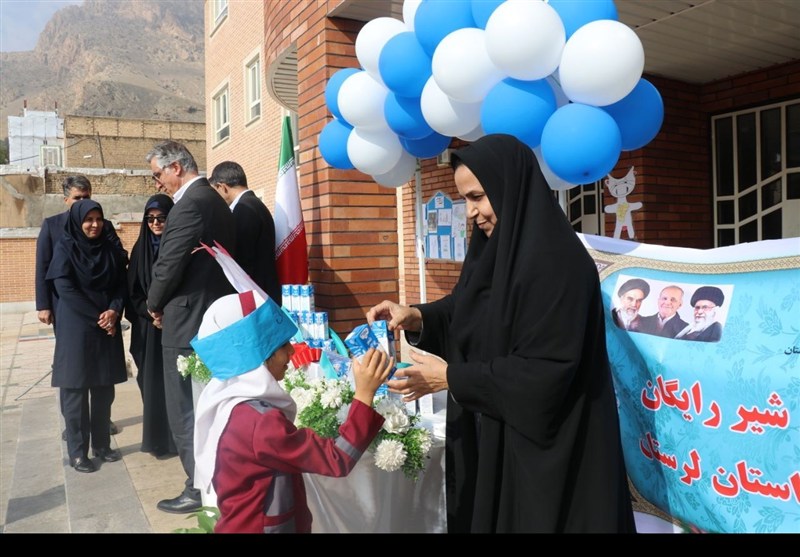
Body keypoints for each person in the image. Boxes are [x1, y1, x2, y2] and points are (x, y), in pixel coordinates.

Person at [366, 134, 635, 533]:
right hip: (497, 432)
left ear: (509, 187)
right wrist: (418, 317)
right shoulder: (495, 250)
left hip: (548, 452)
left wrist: (451, 378)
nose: (472, 213)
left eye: (478, 197)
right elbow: (468, 309)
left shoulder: (558, 265)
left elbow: (546, 372)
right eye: (465, 200)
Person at [193, 290, 392, 533]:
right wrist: (364, 394)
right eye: (283, 344)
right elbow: (337, 459)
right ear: (260, 353)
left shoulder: (230, 404)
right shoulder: (261, 422)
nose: (292, 352)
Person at [145, 140, 236, 514]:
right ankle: (215, 479)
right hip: (215, 318)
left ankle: (196, 488)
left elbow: (168, 265)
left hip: (187, 323)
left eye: (157, 174)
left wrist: (153, 304)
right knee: (211, 405)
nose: (158, 183)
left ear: (176, 167)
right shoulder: (216, 200)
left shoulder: (190, 205)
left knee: (185, 409)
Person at [35, 176, 124, 437]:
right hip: (68, 309)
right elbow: (43, 266)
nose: (83, 203)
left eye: (86, 197)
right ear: (66, 200)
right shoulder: (53, 226)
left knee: (102, 370)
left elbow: (118, 256)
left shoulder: (102, 225)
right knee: (73, 370)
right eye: (77, 198)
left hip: (103, 305)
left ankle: (100, 424)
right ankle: (74, 425)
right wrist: (44, 304)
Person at [46, 199, 128, 473]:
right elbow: (65, 289)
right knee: (76, 393)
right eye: (88, 220)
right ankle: (78, 452)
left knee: (104, 390)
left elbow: (120, 284)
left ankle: (102, 445)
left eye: (98, 219)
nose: (94, 225)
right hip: (77, 327)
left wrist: (115, 310)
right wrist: (99, 317)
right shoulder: (65, 248)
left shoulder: (109, 249)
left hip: (107, 325)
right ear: (77, 222)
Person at [126, 194, 177, 456]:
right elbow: (132, 295)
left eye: (161, 218)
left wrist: (167, 314)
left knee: (175, 386)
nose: (155, 223)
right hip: (148, 332)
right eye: (150, 219)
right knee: (152, 384)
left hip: (174, 327)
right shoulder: (139, 251)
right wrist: (151, 314)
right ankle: (158, 441)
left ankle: (176, 439)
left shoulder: (179, 248)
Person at [209, 161, 281, 304]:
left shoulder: (243, 209)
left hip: (256, 293)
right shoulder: (254, 204)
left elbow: (242, 258)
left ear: (222, 187)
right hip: (264, 288)